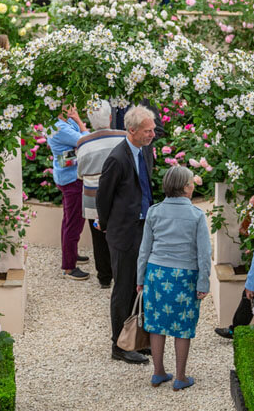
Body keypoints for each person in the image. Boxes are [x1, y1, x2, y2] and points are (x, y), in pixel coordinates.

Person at [136, 165, 210, 391]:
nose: (193, 187)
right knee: (183, 326)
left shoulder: (154, 211)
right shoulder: (196, 215)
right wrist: (203, 283)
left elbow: (144, 250)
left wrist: (140, 279)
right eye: (191, 183)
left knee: (156, 324)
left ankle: (158, 372)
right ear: (186, 187)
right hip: (185, 276)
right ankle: (180, 377)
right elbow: (204, 254)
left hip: (156, 274)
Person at [96, 105, 158, 365]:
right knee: (123, 289)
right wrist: (109, 227)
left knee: (140, 284)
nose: (152, 134)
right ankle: (119, 346)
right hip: (123, 233)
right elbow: (103, 198)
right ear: (131, 130)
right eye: (147, 131)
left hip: (143, 228)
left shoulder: (145, 152)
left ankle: (136, 339)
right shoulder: (117, 159)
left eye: (152, 129)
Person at [76, 102, 125, 289]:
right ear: (110, 117)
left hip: (93, 196)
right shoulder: (123, 137)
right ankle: (120, 273)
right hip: (118, 195)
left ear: (90, 120)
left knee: (98, 238)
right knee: (120, 234)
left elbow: (80, 173)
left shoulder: (83, 142)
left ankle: (104, 277)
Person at [47, 107, 92, 281]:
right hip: (72, 179)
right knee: (73, 222)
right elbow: (87, 141)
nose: (74, 106)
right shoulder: (60, 127)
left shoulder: (64, 122)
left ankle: (71, 254)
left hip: (67, 175)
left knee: (69, 219)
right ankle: (69, 267)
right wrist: (80, 121)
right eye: (69, 102)